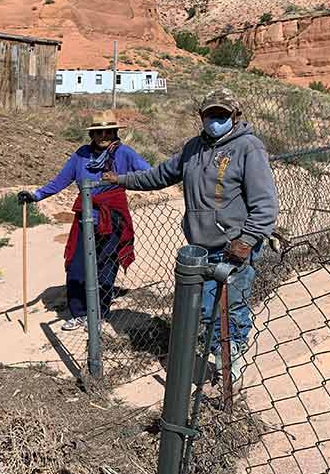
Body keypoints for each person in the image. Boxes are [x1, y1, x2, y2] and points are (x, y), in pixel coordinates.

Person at [102, 88, 279, 386]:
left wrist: (247, 240)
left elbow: (265, 204)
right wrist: (122, 180)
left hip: (233, 247)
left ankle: (232, 362)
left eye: (222, 115)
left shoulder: (249, 148)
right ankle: (220, 354)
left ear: (235, 117)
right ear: (201, 116)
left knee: (232, 307)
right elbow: (158, 176)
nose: (215, 120)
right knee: (208, 310)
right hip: (200, 248)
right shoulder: (193, 149)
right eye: (211, 114)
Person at [19, 110, 151, 331]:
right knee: (76, 266)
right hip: (85, 219)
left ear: (115, 132)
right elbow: (60, 180)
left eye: (108, 131)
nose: (103, 136)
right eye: (99, 132)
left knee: (106, 265)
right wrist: (36, 195)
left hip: (113, 219)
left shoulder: (125, 153)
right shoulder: (81, 154)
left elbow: (149, 174)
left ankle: (99, 313)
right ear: (92, 134)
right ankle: (79, 312)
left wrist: (123, 180)